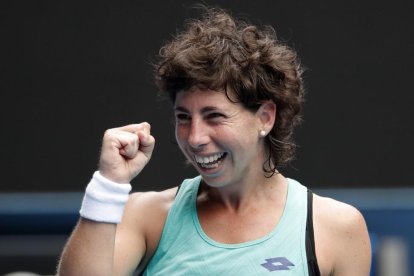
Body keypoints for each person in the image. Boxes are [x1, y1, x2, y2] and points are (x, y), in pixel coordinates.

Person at [57, 7, 371, 276]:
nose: (194, 138)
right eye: (183, 117)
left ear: (265, 117)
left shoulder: (336, 227)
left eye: (214, 117)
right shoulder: (145, 216)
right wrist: (109, 185)